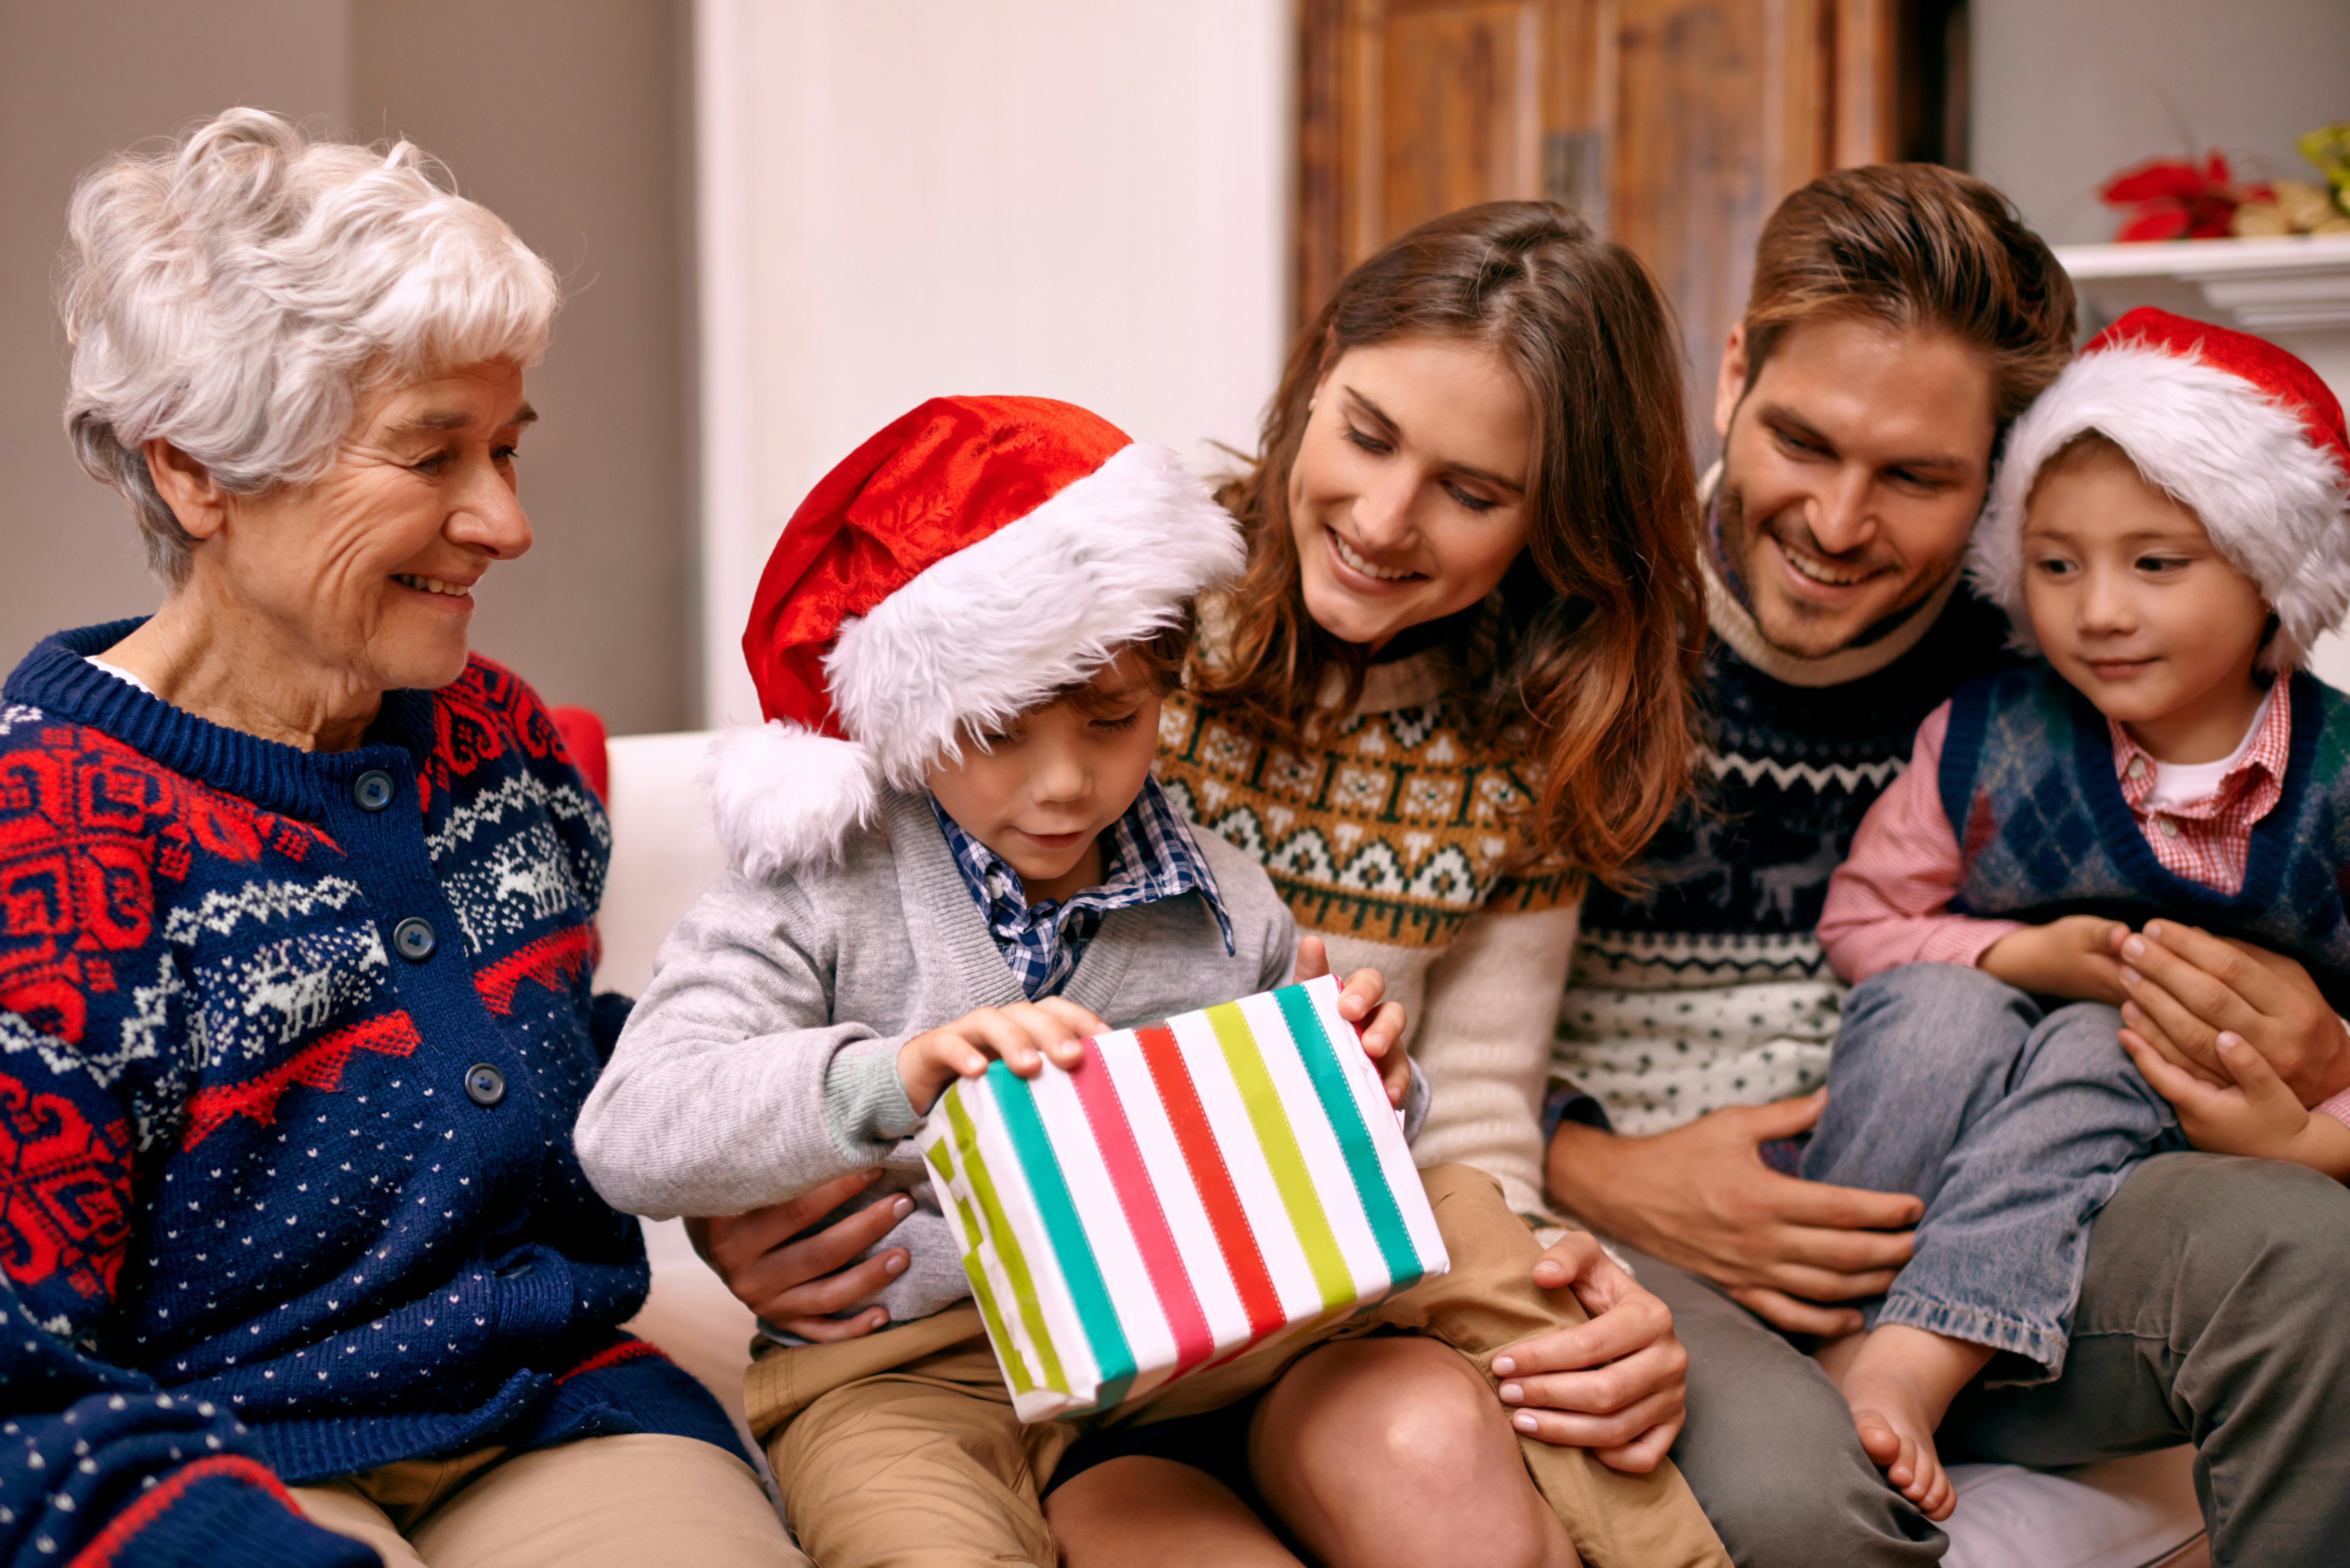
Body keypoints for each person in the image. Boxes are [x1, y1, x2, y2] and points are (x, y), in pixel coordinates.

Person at [692, 200, 1713, 1549]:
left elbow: (1467, 1122)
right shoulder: (1104, 609)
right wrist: (746, 1211)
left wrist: (1559, 1286)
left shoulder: (1533, 733)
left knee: (1450, 1475)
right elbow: (832, 939)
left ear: (1551, 518)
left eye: (1472, 493)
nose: (1387, 519)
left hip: (1313, 1304)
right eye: (1366, 434)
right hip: (1051, 1336)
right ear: (1316, 372)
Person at [0, 111, 799, 1566]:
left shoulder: (492, 737)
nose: (505, 520)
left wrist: (719, 1153)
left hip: (548, 1407)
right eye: (435, 456)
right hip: (204, 1451)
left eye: (506, 447)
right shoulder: (46, 827)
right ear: (198, 475)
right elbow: (14, 1381)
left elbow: (532, 1048)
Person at [1547, 163, 2350, 1567]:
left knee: (2309, 1259)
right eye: (1803, 441)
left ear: (2002, 473)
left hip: (2013, 1209)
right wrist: (1595, 1169)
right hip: (1660, 1225)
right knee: (1812, 1512)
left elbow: (2247, 863)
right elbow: (1407, 1014)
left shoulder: (2058, 653)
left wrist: (2314, 1042)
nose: (1840, 523)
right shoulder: (1575, 609)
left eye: (1916, 476)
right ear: (1734, 371)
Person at [1804, 307, 2350, 1519]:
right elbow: (1862, 925)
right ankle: (1823, 1327)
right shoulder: (1985, 738)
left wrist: (2318, 1125)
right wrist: (2016, 951)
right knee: (1932, 1004)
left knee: (2114, 1039)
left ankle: (1924, 1350)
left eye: (2156, 564)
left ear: (2273, 569)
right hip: (1935, 1124)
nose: (2098, 610)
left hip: (2138, 1173)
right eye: (2057, 565)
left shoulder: (2345, 784)